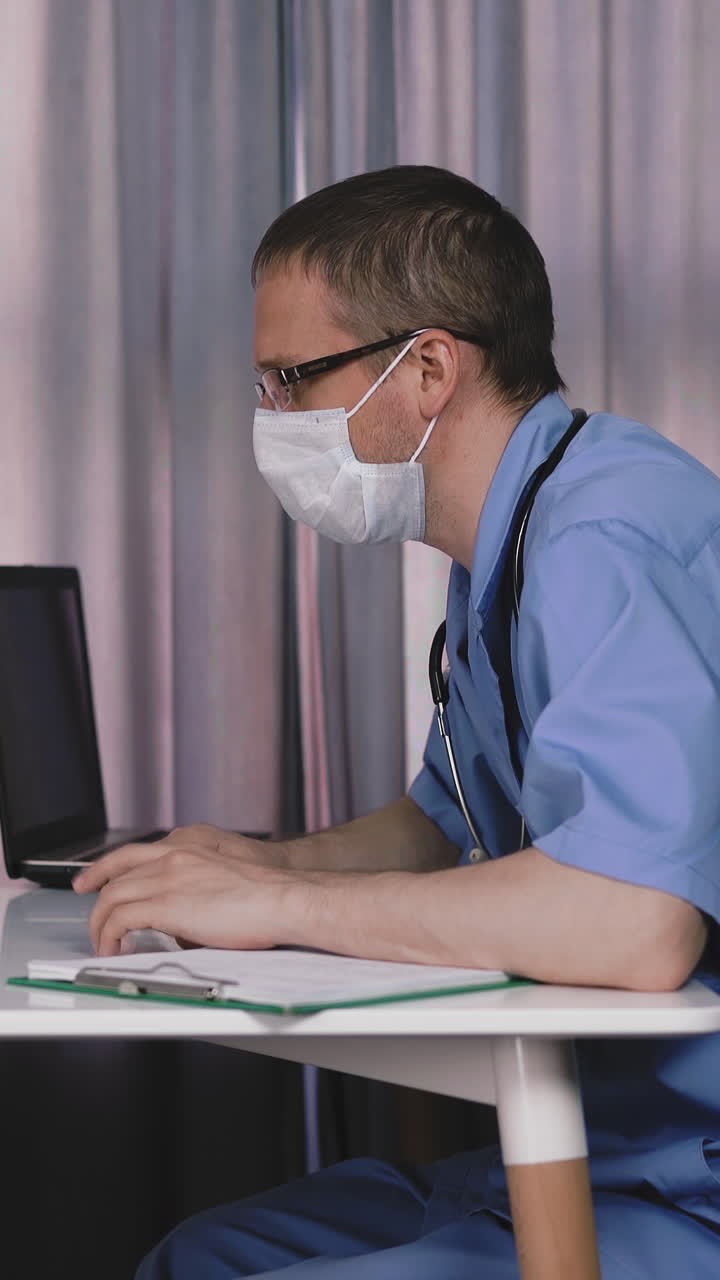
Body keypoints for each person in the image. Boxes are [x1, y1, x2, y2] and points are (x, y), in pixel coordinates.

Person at [74, 166, 720, 1277]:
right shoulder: (511, 546)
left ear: (428, 367)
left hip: (689, 1181)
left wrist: (280, 900)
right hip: (607, 1142)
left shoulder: (604, 539)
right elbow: (441, 820)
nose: (272, 418)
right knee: (200, 1257)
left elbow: (636, 921)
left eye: (291, 378)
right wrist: (252, 862)